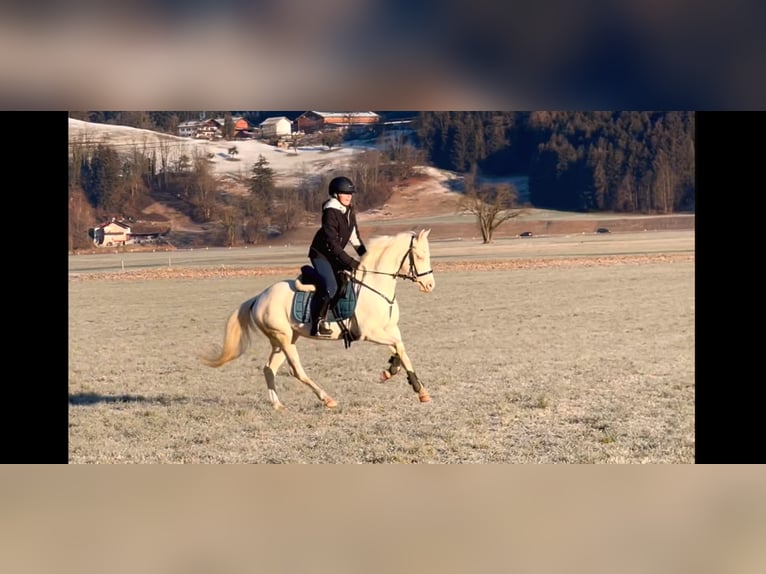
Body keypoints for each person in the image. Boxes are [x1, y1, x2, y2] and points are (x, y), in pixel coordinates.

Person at [307, 176, 367, 336]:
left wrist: (366, 258)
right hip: (321, 255)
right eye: (344, 193)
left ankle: (340, 317)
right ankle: (318, 322)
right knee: (331, 287)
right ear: (335, 195)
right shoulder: (330, 212)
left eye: (350, 194)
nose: (349, 196)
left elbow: (354, 237)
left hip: (334, 255)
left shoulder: (349, 211)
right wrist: (351, 262)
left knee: (346, 282)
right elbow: (332, 244)